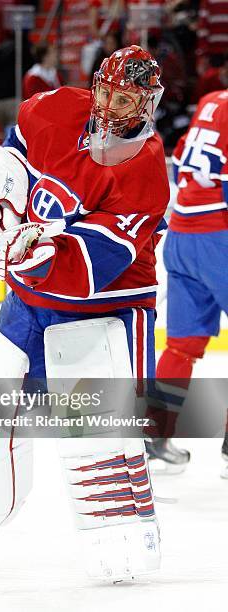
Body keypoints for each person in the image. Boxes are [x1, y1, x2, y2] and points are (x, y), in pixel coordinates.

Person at [0, 46, 169, 581]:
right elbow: (9, 161)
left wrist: (21, 256)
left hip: (104, 310)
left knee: (95, 429)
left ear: (147, 103)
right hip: (30, 302)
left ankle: (121, 529)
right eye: (105, 91)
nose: (110, 106)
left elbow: (90, 266)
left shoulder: (146, 168)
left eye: (125, 98)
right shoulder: (57, 108)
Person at [150, 87, 228, 476]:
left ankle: (154, 435)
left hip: (180, 233)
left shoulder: (212, 100)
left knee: (180, 347)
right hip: (219, 237)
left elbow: (179, 165)